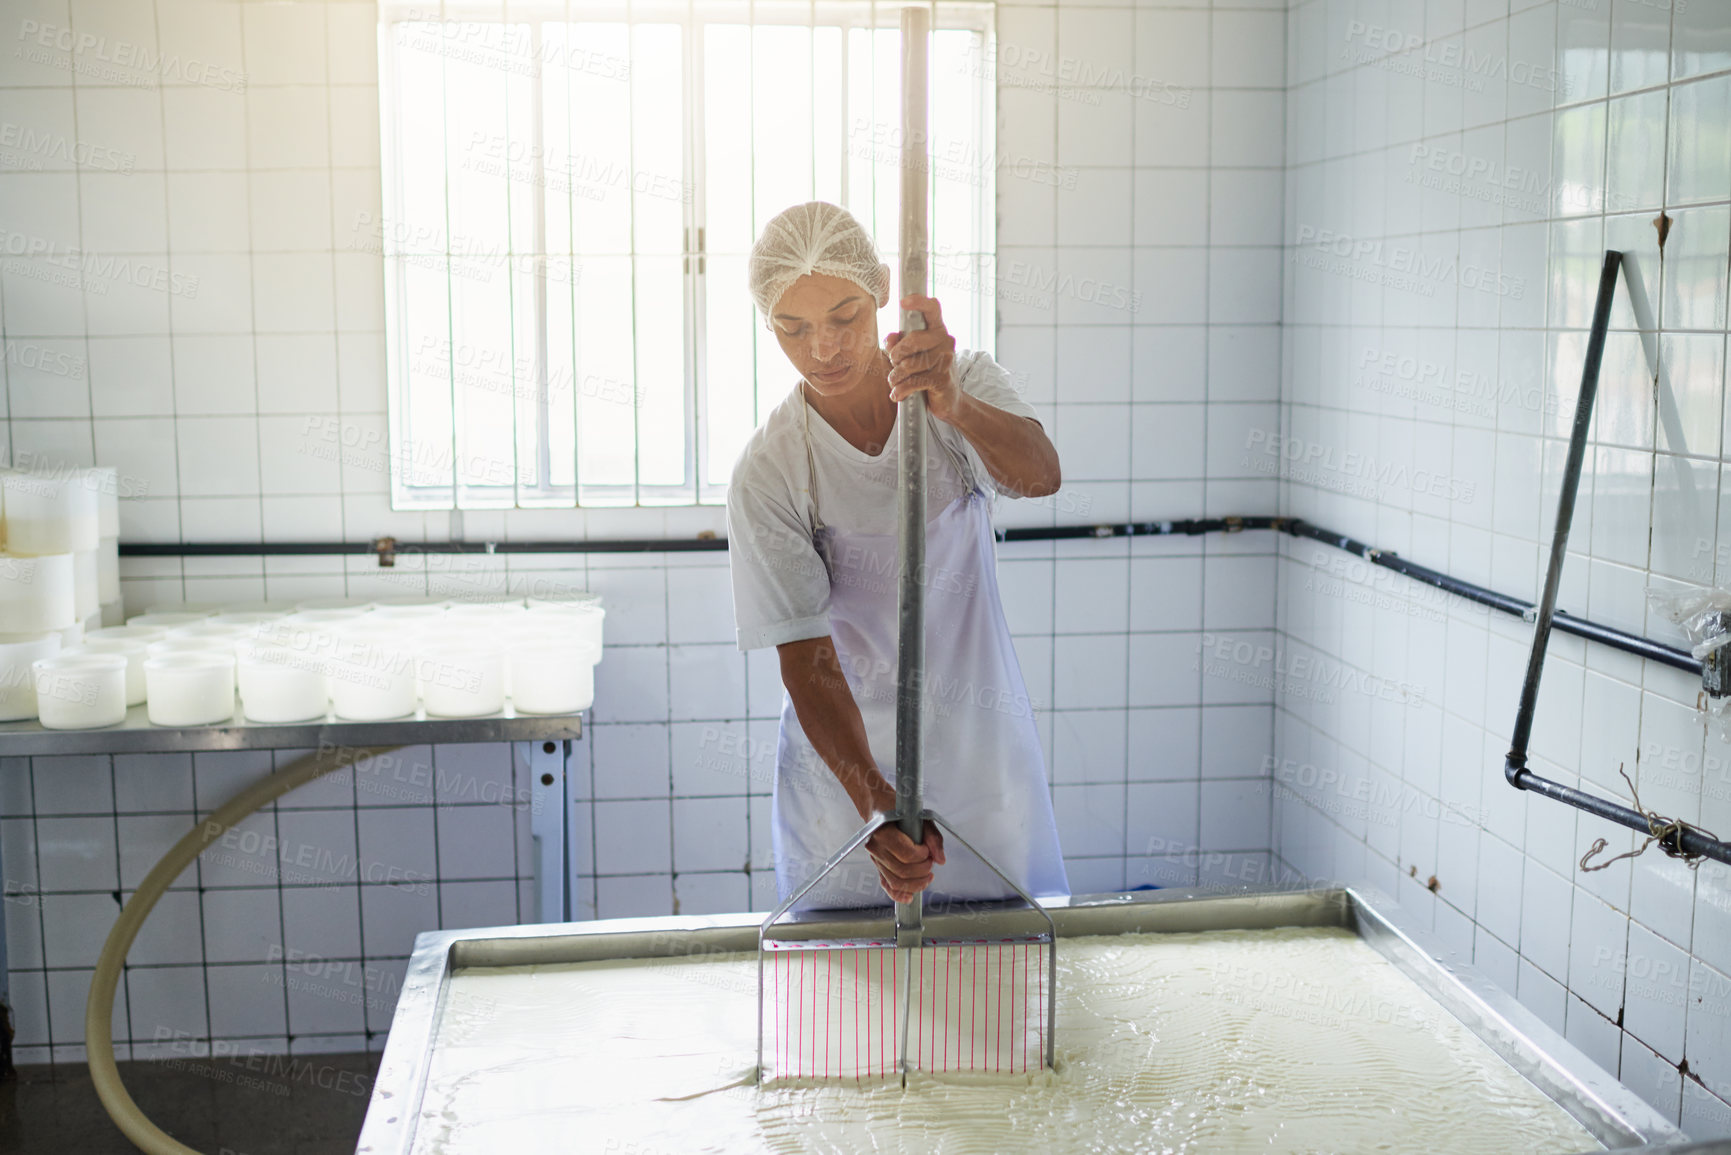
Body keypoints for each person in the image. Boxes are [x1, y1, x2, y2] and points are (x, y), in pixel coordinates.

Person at [726, 201, 1068, 911]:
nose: (822, 347)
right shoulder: (772, 468)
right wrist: (876, 807)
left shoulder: (958, 382)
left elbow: (1039, 475)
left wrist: (952, 403)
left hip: (980, 765)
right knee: (845, 1004)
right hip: (844, 795)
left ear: (881, 287)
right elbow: (805, 657)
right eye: (792, 328)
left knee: (1001, 991)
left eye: (844, 315)